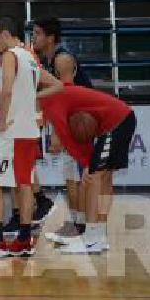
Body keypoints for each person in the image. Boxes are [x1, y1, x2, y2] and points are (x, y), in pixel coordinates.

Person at [0, 17, 62, 258]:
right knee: (24, 184)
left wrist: (1, 119)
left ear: (4, 34)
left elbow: (7, 90)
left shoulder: (10, 55)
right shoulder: (29, 56)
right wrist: (29, 100)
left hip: (11, 131)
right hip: (28, 129)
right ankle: (23, 240)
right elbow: (57, 85)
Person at [39, 84, 137, 254]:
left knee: (93, 177)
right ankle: (99, 235)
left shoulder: (51, 104)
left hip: (115, 122)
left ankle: (91, 238)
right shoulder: (56, 94)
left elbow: (67, 141)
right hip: (122, 118)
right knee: (104, 178)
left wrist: (86, 164)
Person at [31, 17, 94, 240]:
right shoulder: (46, 61)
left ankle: (87, 227)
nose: (33, 37)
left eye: (37, 33)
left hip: (82, 120)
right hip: (72, 120)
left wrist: (58, 134)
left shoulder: (62, 59)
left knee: (78, 176)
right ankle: (78, 224)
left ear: (50, 37)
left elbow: (66, 97)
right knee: (70, 176)